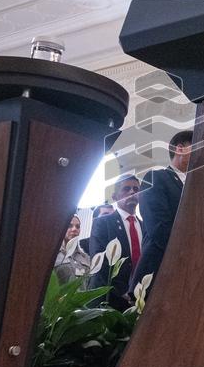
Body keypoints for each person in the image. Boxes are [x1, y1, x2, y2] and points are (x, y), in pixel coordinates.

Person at [129, 130, 190, 292]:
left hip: (189, 274)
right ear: (180, 149)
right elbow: (159, 228)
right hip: (159, 269)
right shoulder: (156, 178)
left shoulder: (198, 185)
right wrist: (189, 253)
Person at [88, 174, 144, 310]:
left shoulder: (146, 226)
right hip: (109, 302)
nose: (132, 192)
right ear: (114, 197)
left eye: (136, 189)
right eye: (126, 189)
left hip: (139, 300)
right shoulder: (103, 223)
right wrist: (123, 293)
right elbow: (99, 263)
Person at [54, 215, 89, 281]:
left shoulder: (85, 257)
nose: (74, 229)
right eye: (69, 226)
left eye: (77, 226)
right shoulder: (53, 255)